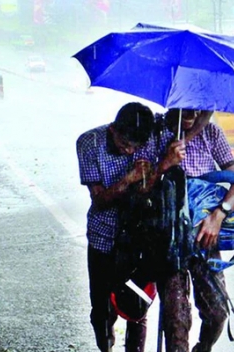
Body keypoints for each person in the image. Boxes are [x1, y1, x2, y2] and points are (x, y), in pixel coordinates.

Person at [136, 108, 234, 352]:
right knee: (176, 322)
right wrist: (165, 163)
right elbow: (140, 189)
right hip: (167, 242)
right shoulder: (153, 134)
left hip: (204, 241)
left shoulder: (211, 133)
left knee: (217, 313)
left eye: (198, 108)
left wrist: (218, 215)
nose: (193, 113)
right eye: (187, 107)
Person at [76, 101, 156, 352]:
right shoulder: (89, 143)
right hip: (104, 236)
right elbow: (99, 199)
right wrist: (129, 179)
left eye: (136, 147)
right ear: (113, 130)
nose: (131, 151)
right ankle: (106, 343)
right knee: (101, 309)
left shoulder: (150, 140)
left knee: (137, 304)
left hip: (138, 237)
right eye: (125, 145)